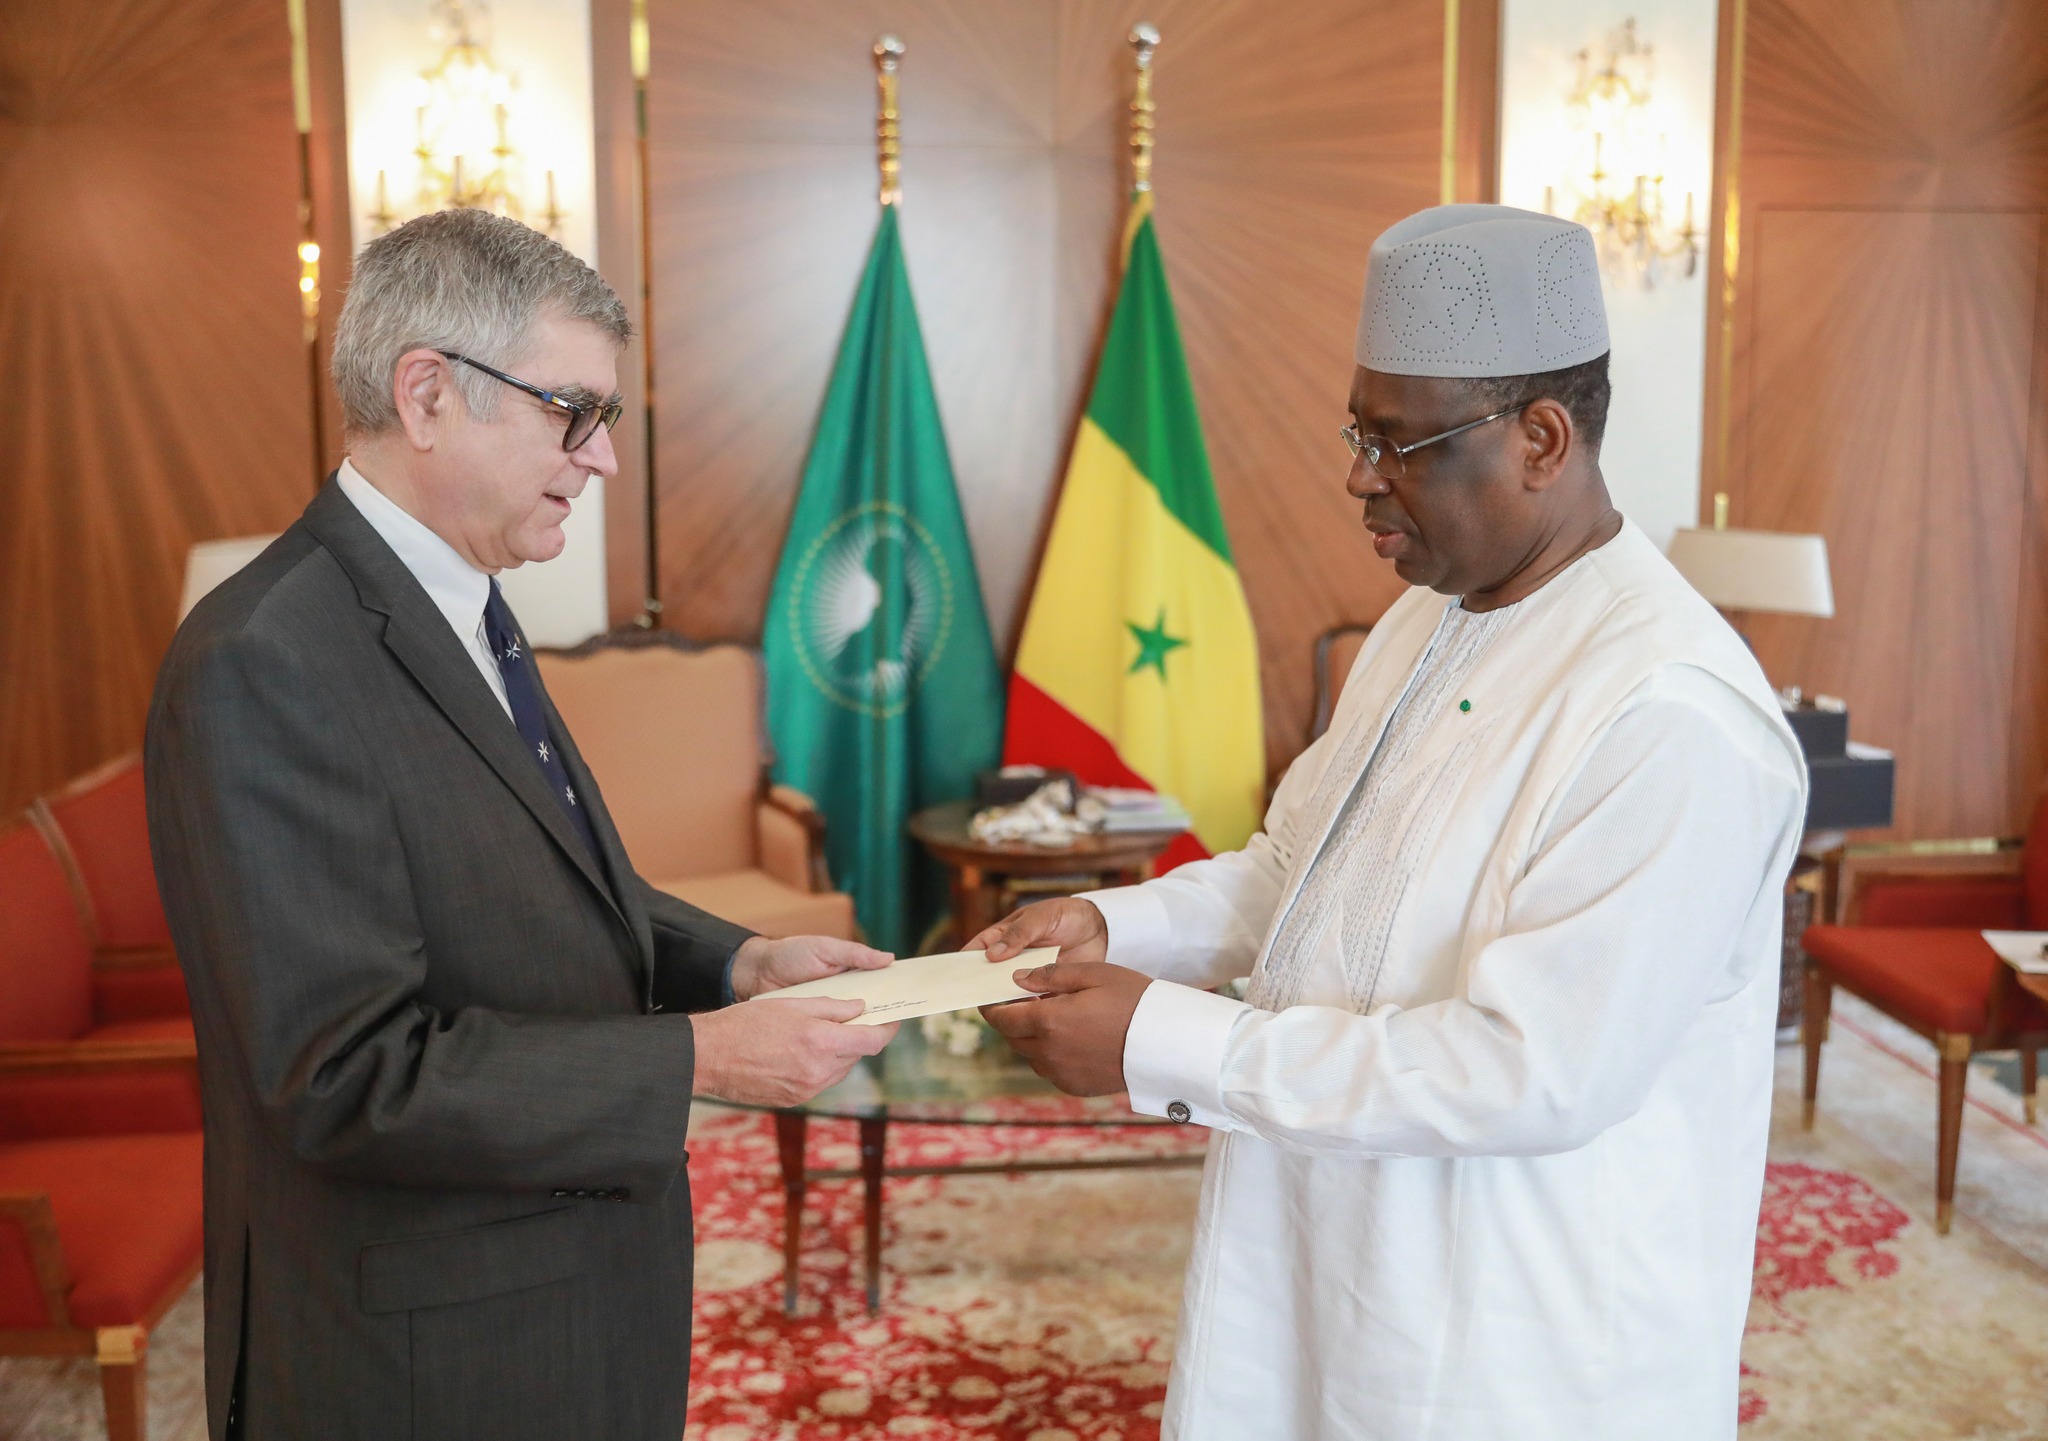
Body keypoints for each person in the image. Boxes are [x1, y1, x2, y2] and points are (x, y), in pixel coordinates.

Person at [973, 205, 1809, 1440]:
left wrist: (1167, 1041)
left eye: (1401, 441)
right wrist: (1115, 921)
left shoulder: (1670, 713)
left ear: (1538, 439)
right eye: (1358, 432)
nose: (1360, 475)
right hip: (1325, 1233)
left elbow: (1531, 1072)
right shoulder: (1427, 615)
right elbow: (1295, 872)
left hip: (1519, 1324)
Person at [146, 208, 897, 1441]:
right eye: (572, 411)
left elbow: (524, 878)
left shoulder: (460, 601)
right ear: (428, 392)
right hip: (424, 1352)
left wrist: (738, 958)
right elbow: (343, 1075)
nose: (599, 459)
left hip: (556, 1291)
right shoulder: (263, 657)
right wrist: (704, 1054)